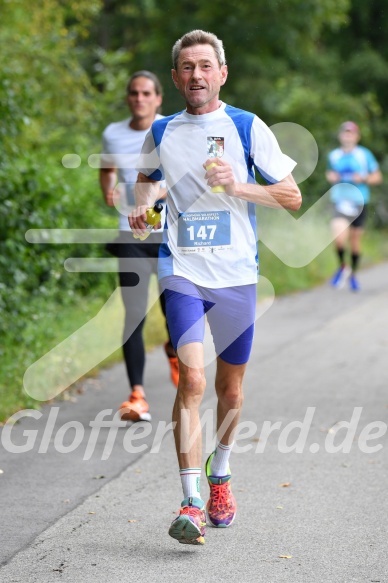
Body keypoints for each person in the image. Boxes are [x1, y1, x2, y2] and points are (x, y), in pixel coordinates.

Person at [130, 30, 301, 545]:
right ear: (176, 76)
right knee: (194, 382)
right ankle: (191, 501)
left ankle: (220, 471)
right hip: (182, 268)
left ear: (221, 73)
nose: (196, 75)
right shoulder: (161, 131)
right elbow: (142, 197)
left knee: (230, 389)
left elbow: (291, 197)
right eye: (186, 67)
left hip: (237, 276)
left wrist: (238, 185)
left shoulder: (247, 126)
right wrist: (142, 213)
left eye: (205, 66)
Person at [100, 70, 178, 423]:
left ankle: (174, 352)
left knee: (173, 311)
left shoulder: (171, 128)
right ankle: (137, 395)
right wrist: (108, 190)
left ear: (158, 98)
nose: (139, 98)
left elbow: (177, 174)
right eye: (134, 93)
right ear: (127, 97)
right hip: (129, 235)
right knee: (134, 314)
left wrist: (151, 198)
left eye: (147, 93)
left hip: (166, 234)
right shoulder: (112, 134)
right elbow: (107, 168)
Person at [326, 121, 382, 291]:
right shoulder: (334, 155)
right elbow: (329, 173)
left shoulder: (364, 155)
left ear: (357, 136)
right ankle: (343, 266)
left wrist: (363, 178)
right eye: (345, 132)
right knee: (339, 238)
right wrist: (332, 177)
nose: (348, 135)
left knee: (355, 240)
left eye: (351, 133)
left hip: (359, 202)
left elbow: (377, 177)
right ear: (340, 135)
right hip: (340, 201)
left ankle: (354, 275)